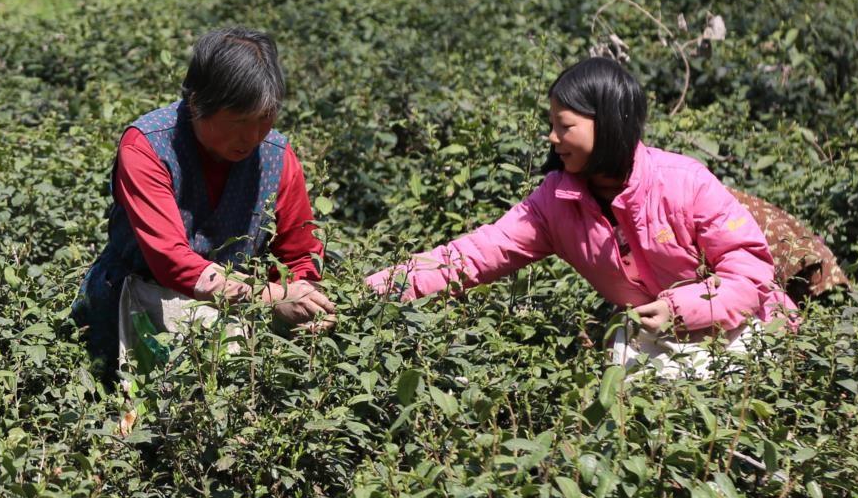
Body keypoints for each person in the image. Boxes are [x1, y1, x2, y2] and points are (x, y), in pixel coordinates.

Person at [366, 57, 798, 378]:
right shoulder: (556, 203)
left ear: (607, 124)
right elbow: (472, 256)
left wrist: (678, 310)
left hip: (749, 335)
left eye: (565, 125)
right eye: (551, 124)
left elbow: (750, 276)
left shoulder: (684, 183)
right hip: (659, 343)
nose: (553, 138)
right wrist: (369, 294)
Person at [74, 26, 335, 371]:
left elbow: (300, 251)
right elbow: (172, 262)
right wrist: (269, 297)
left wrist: (304, 296)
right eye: (240, 121)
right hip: (138, 301)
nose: (253, 136)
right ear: (197, 104)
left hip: (236, 311)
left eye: (265, 120)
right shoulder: (147, 147)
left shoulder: (277, 155)